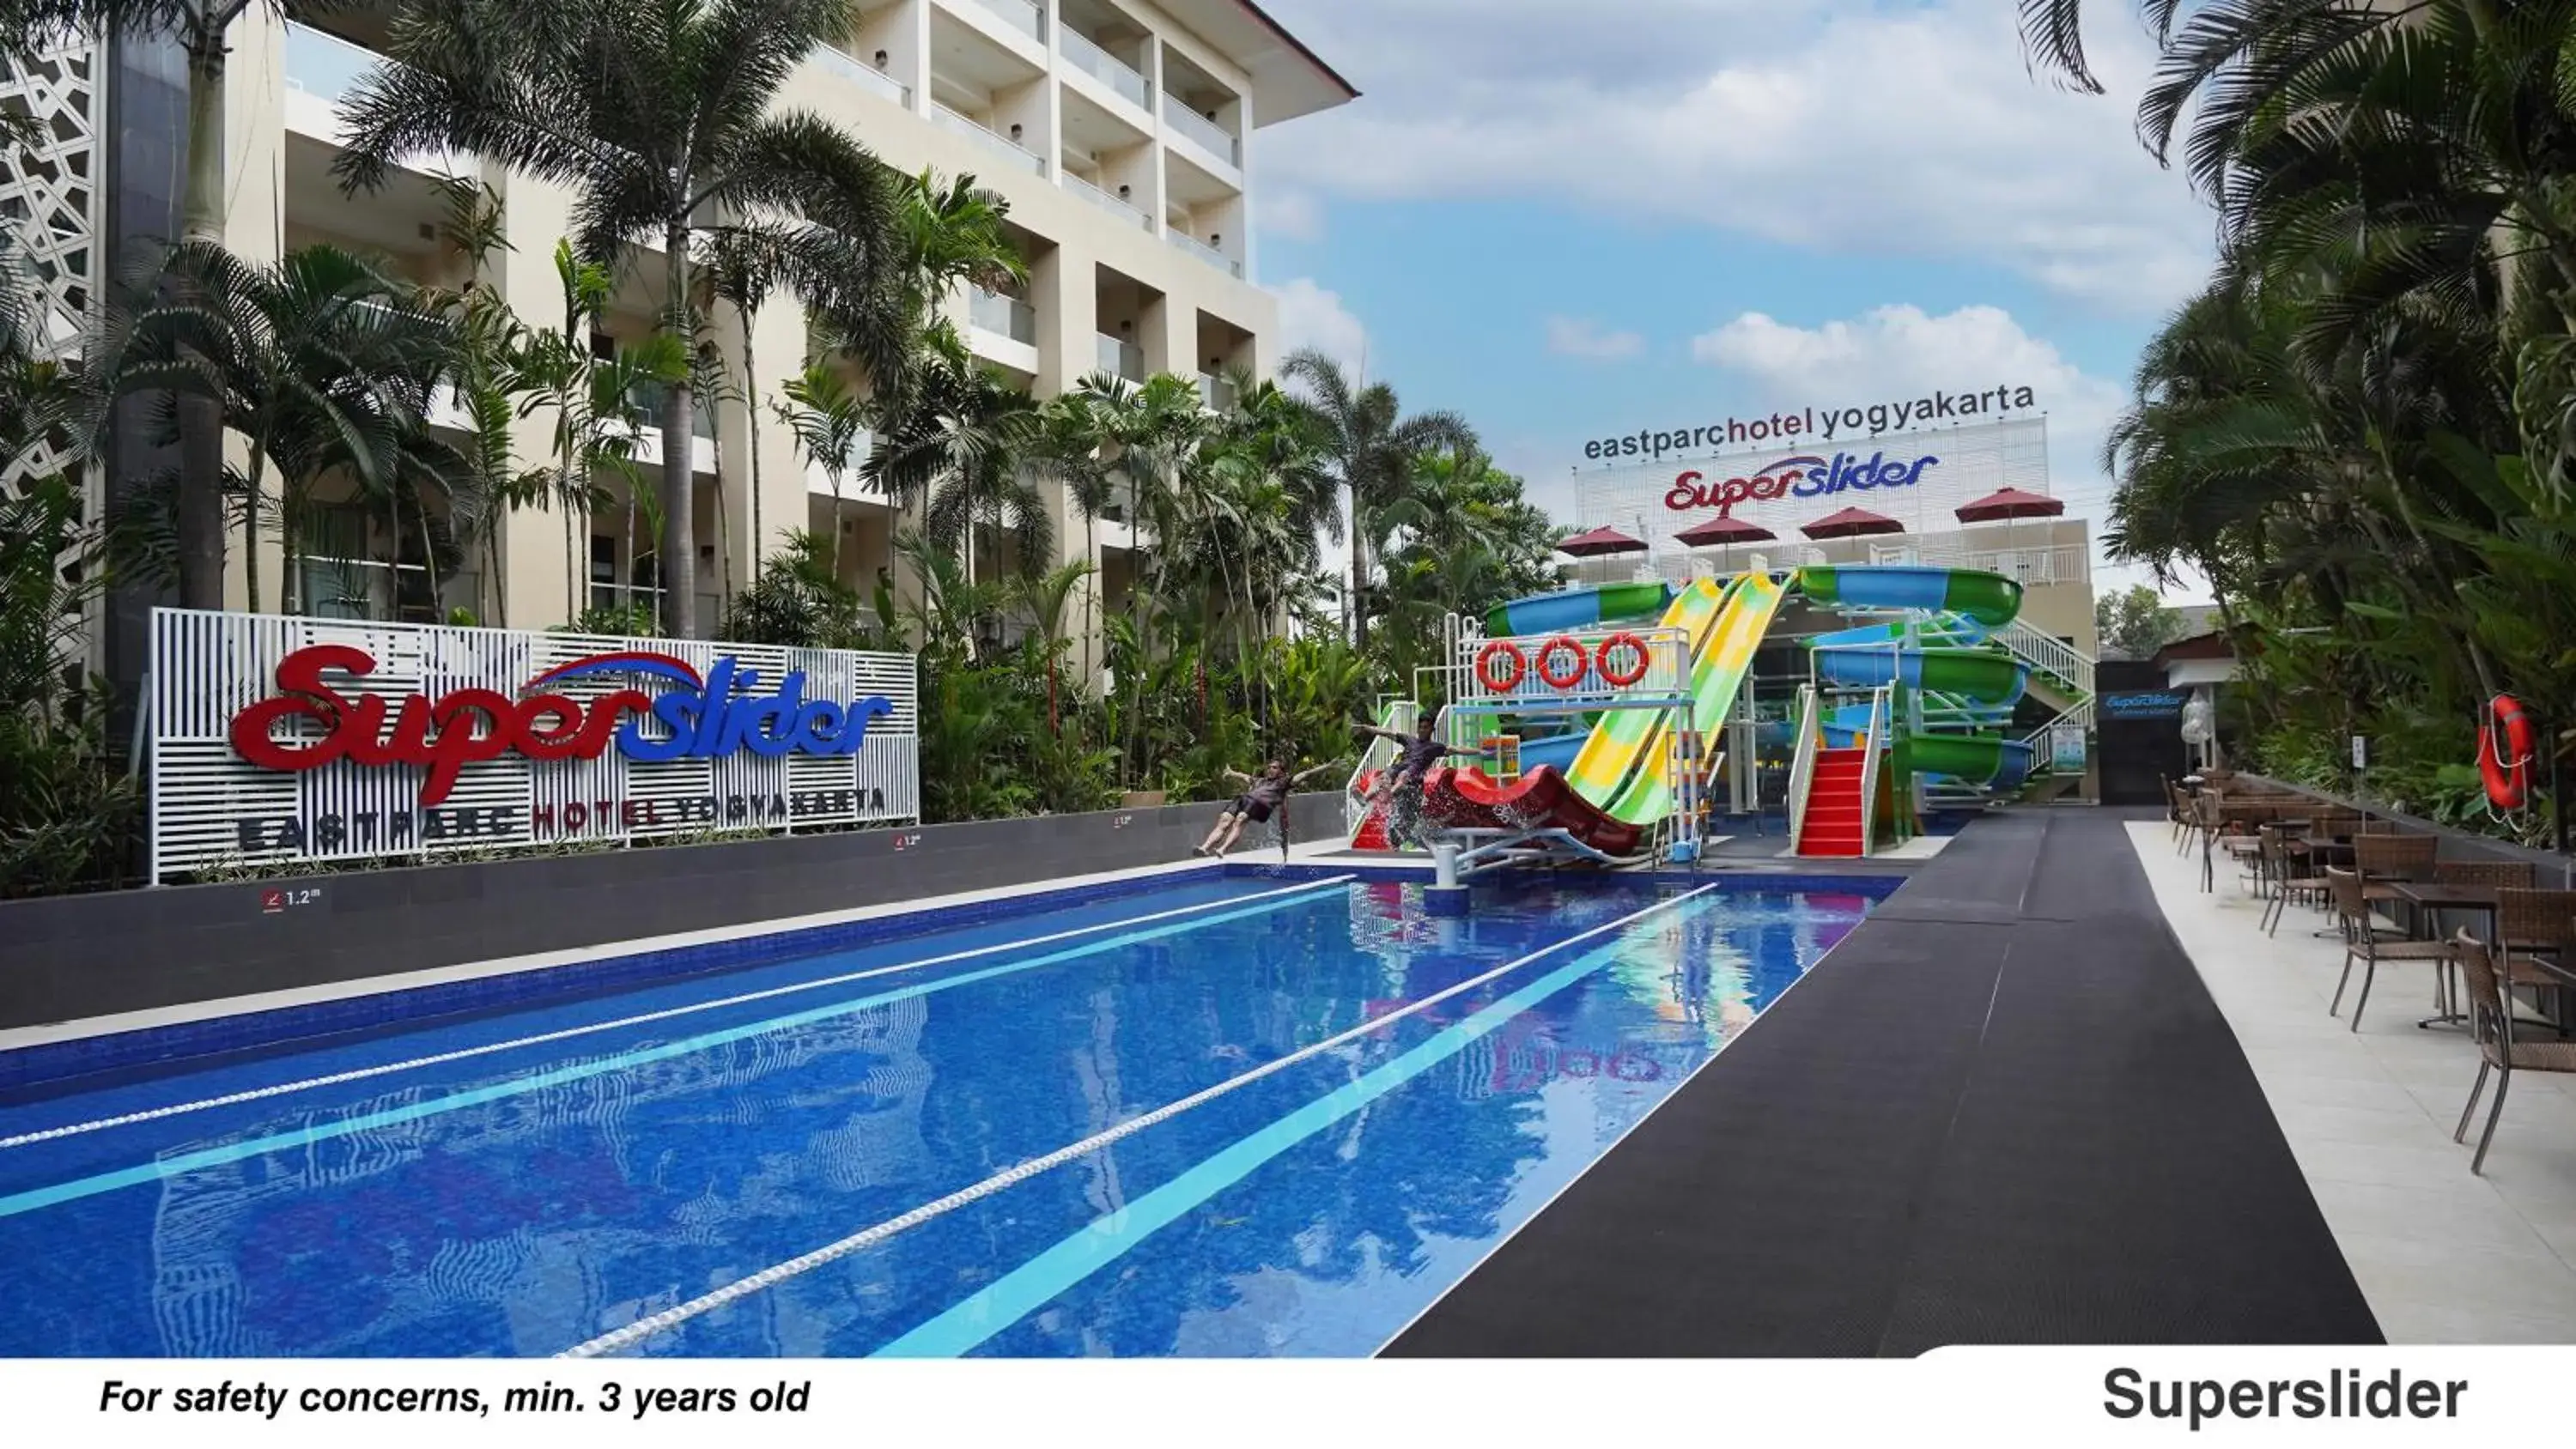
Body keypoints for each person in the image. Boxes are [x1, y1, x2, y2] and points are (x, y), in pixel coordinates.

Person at [1351, 714, 1486, 846]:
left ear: (1431, 730)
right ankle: (1365, 799)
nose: (1422, 730)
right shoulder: (1409, 740)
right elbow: (1386, 732)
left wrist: (1480, 751)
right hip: (1399, 768)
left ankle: (1389, 795)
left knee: (1403, 775)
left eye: (1425, 727)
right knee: (1382, 777)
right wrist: (1364, 727)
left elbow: (1457, 749)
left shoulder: (1435, 747)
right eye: (1420, 727)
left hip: (1413, 777)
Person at [1196, 758, 1337, 858]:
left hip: (1260, 805)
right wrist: (1231, 772)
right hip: (1243, 800)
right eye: (1269, 767)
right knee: (1224, 820)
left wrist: (1327, 766)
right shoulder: (1259, 781)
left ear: (1281, 771)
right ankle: (1205, 847)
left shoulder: (1283, 782)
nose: (1270, 769)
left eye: (1274, 767)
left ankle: (1222, 849)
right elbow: (1244, 777)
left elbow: (1306, 774)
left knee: (1240, 819)